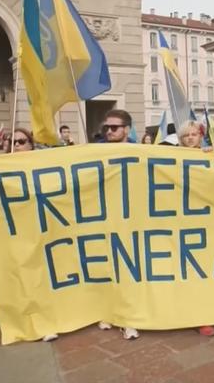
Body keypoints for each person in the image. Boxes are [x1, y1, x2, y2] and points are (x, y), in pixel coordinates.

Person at [97, 109, 140, 340]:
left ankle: (128, 318)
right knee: (106, 266)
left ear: (127, 130)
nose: (109, 131)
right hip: (104, 218)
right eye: (106, 128)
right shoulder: (95, 151)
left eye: (114, 127)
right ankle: (108, 312)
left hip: (133, 219)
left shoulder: (140, 151)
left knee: (129, 268)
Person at [177, 120, 214, 336]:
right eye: (187, 135)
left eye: (194, 134)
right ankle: (190, 314)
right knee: (186, 270)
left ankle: (204, 315)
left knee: (204, 268)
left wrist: (212, 155)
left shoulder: (209, 155)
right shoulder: (170, 157)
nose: (191, 138)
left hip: (205, 222)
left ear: (200, 136)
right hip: (180, 223)